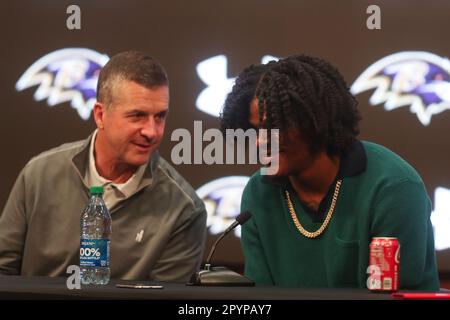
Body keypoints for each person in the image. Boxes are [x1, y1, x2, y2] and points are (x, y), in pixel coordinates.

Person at [220, 55, 439, 290]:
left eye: (274, 127)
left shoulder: (393, 187)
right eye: (256, 130)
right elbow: (261, 301)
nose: (261, 142)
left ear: (316, 121)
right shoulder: (258, 193)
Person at [0, 51, 207, 282]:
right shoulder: (39, 175)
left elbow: (166, 299)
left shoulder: (184, 209)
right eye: (137, 116)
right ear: (100, 114)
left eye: (159, 117)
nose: (151, 131)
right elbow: (3, 271)